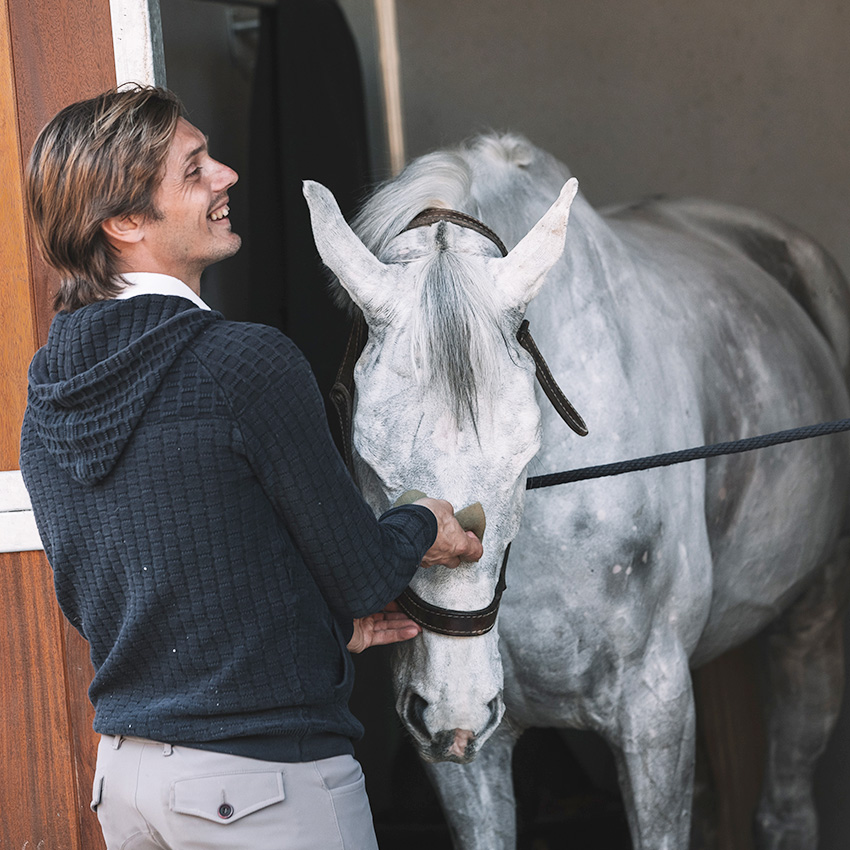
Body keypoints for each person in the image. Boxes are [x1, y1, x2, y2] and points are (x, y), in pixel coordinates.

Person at [19, 86, 483, 850]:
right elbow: (366, 574)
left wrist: (311, 634)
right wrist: (423, 522)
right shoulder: (241, 363)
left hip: (128, 787)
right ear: (126, 222)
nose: (227, 175)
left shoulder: (49, 392)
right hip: (261, 788)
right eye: (194, 169)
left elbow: (123, 595)